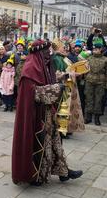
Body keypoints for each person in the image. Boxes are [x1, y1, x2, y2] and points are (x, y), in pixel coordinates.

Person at [12, 39, 83, 186]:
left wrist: (65, 76)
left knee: (55, 141)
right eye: (46, 51)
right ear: (40, 52)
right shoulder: (30, 68)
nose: (49, 54)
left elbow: (49, 78)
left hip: (47, 112)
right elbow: (33, 92)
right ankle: (35, 175)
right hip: (36, 115)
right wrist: (56, 89)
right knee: (42, 144)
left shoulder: (43, 65)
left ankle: (64, 172)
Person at [84, 40, 107, 125]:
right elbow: (85, 70)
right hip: (89, 81)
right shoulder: (89, 58)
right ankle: (88, 117)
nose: (94, 50)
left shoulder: (105, 60)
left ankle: (97, 118)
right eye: (94, 49)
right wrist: (85, 79)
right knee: (89, 99)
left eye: (96, 49)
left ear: (101, 50)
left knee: (98, 100)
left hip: (100, 82)